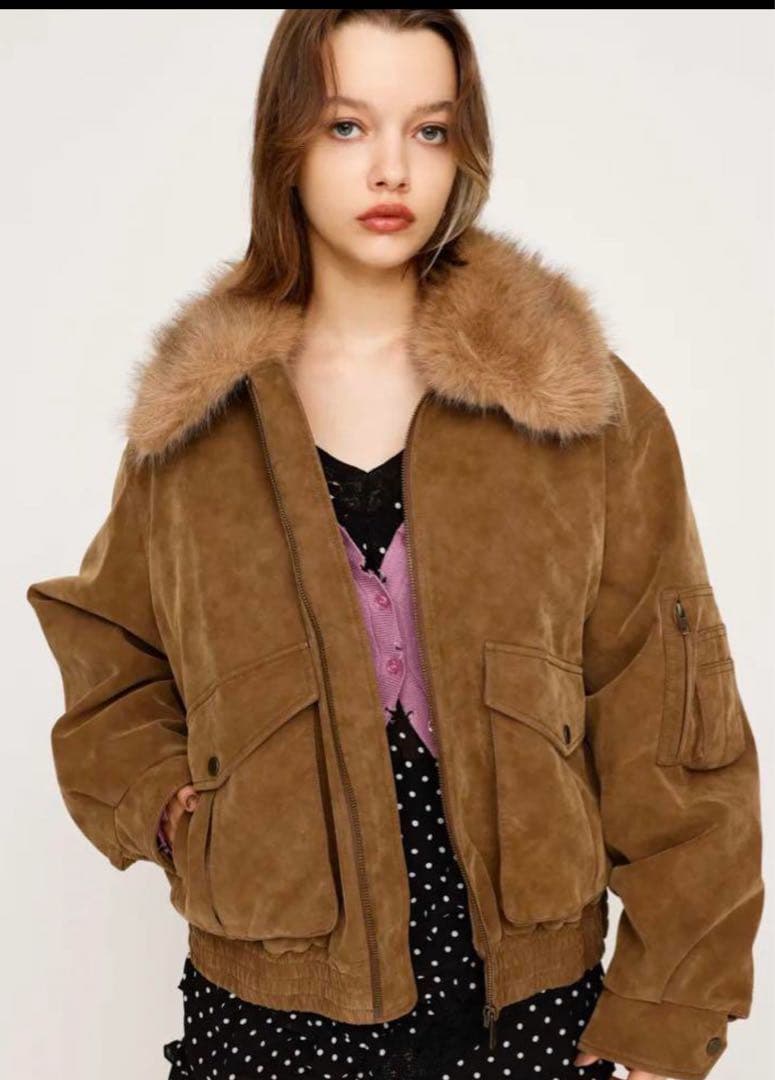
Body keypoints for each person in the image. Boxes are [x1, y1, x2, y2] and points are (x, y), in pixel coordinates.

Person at [26, 10, 763, 1080]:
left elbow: (672, 717)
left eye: (428, 129)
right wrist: (175, 807)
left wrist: (667, 1012)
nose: (391, 169)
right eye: (346, 125)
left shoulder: (571, 403)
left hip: (530, 1020)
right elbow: (111, 652)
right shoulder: (201, 421)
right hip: (264, 1022)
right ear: (284, 141)